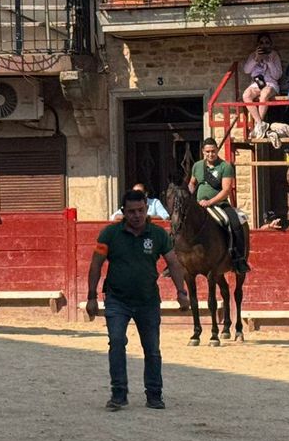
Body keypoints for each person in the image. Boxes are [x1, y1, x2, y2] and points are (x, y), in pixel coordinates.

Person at [87, 188, 189, 411]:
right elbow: (96, 264)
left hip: (147, 300)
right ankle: (118, 394)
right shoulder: (109, 234)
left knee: (152, 348)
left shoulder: (158, 234)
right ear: (124, 212)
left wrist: (182, 292)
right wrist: (91, 296)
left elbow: (173, 262)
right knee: (116, 343)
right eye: (132, 211)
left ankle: (154, 395)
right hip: (117, 299)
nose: (137, 215)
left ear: (147, 209)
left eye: (141, 210)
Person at [190, 138, 250, 273]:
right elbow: (192, 182)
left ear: (217, 150)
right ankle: (177, 258)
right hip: (199, 205)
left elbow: (226, 190)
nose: (210, 154)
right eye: (208, 152)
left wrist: (210, 202)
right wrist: (190, 195)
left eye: (213, 151)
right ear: (203, 152)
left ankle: (238, 258)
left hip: (219, 204)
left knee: (235, 223)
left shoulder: (225, 166)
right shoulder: (197, 166)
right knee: (180, 223)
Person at [240, 33, 282, 137]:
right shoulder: (254, 55)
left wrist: (269, 62)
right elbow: (246, 70)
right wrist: (256, 58)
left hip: (270, 83)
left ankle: (259, 125)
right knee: (246, 95)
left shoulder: (274, 55)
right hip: (256, 83)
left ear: (270, 44)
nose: (264, 45)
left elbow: (277, 75)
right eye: (261, 43)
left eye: (267, 43)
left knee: (264, 94)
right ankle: (259, 123)